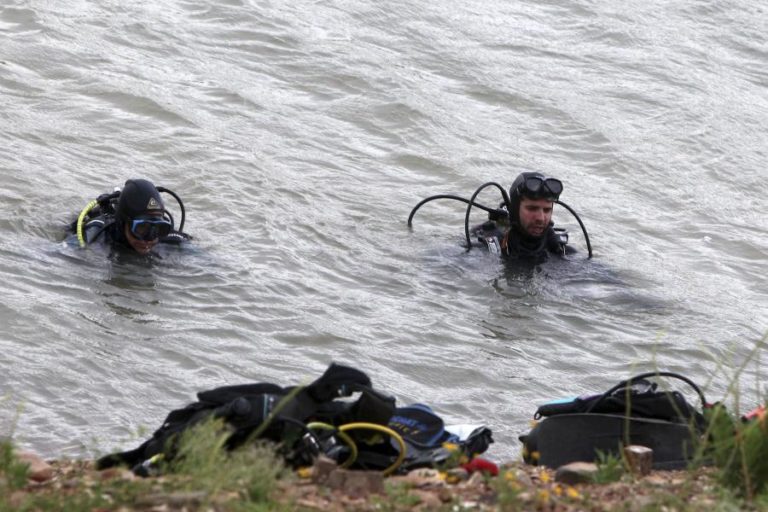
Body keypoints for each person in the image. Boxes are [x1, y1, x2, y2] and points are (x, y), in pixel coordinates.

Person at [471, 172, 576, 262]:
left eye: (547, 210)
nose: (541, 218)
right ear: (514, 209)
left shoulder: (561, 251)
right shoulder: (483, 247)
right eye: (532, 209)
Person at [69, 178, 191, 255]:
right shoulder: (96, 233)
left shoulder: (169, 238)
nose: (148, 240)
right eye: (141, 228)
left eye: (159, 229)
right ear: (123, 223)